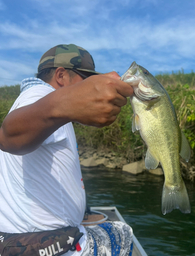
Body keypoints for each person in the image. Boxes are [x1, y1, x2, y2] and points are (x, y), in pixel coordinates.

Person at [0, 44, 134, 256]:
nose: (90, 86)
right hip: (46, 244)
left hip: (20, 240)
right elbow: (8, 136)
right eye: (86, 79)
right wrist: (65, 104)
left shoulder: (37, 102)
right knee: (123, 233)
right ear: (61, 76)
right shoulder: (39, 95)